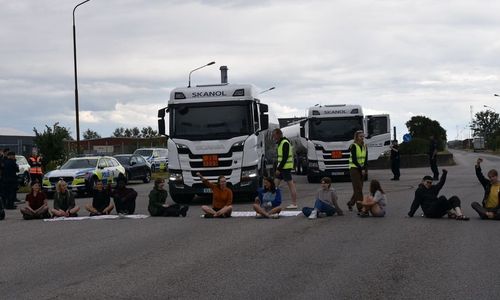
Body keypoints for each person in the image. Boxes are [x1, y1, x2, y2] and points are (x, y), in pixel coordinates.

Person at [272, 128, 298, 209]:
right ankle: (272, 201)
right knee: (274, 184)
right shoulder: (281, 143)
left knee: (291, 185)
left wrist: (278, 169)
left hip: (285, 168)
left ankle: (294, 203)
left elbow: (285, 157)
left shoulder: (285, 143)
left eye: (274, 135)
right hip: (283, 167)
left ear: (279, 134)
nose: (273, 137)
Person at [347, 130, 368, 212]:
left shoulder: (365, 146)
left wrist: (365, 169)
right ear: (356, 137)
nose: (362, 138)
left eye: (363, 136)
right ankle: (360, 207)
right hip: (354, 168)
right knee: (358, 188)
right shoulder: (353, 146)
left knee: (359, 188)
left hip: (361, 168)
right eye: (360, 136)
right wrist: (361, 169)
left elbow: (365, 159)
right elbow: (355, 160)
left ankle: (350, 203)